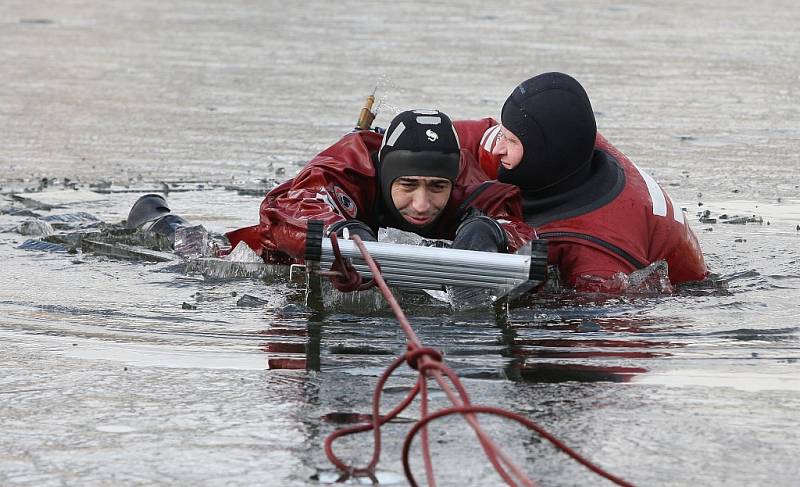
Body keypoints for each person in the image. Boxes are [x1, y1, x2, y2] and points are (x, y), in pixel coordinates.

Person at [469, 72, 707, 292]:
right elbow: (468, 137)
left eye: (510, 140)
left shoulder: (598, 262)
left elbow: (599, 325)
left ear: (543, 153)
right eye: (504, 134)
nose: (499, 148)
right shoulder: (567, 141)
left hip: (665, 295)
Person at [225, 109, 535, 263]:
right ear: (386, 176)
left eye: (437, 187)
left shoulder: (472, 188)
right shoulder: (349, 170)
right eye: (408, 185)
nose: (422, 204)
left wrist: (491, 232)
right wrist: (342, 232)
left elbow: (517, 229)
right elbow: (285, 208)